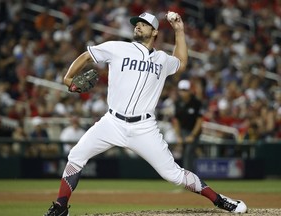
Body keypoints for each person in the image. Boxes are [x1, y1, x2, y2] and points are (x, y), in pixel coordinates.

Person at [44, 12, 247, 216]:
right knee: (76, 156)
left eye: (144, 24)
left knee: (174, 175)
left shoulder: (162, 60)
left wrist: (179, 31)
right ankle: (60, 207)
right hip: (112, 122)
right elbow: (88, 55)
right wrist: (68, 77)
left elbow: (181, 62)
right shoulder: (118, 47)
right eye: (137, 23)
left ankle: (220, 200)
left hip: (144, 128)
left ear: (155, 31)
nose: (138, 26)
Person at [172, 79, 204, 171]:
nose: (183, 92)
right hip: (183, 131)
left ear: (190, 90)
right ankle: (189, 177)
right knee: (184, 154)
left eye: (185, 90)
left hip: (194, 132)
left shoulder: (196, 103)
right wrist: (178, 136)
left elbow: (199, 121)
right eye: (181, 90)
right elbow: (176, 121)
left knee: (189, 152)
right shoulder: (178, 103)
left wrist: (193, 135)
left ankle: (189, 178)